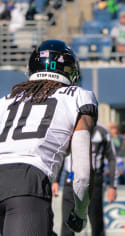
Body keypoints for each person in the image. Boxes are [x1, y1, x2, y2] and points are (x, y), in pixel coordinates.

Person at [0, 40, 97, 235]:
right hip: (27, 182)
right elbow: (83, 174)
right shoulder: (78, 96)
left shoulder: (4, 101)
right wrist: (80, 212)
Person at [52, 124, 118, 236]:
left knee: (95, 220)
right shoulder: (69, 127)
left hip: (94, 179)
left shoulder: (102, 132)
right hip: (70, 178)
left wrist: (113, 186)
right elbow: (61, 154)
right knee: (67, 220)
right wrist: (55, 180)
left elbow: (112, 158)